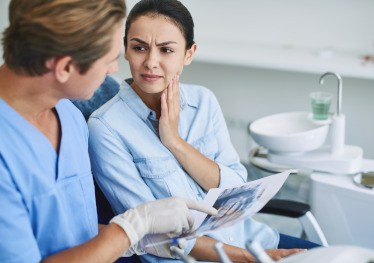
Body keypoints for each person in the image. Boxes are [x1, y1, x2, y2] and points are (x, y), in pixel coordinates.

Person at [88, 0, 320, 262]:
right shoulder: (106, 127)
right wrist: (248, 258)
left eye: (166, 50)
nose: (151, 62)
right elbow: (151, 234)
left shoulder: (204, 102)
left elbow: (236, 188)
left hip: (251, 238)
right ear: (126, 50)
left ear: (189, 53)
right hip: (189, 257)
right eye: (139, 47)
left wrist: (174, 141)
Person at [0, 1, 217, 262]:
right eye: (109, 59)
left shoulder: (68, 116)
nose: (114, 71)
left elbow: (74, 233)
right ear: (64, 67)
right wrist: (132, 227)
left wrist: (138, 239)